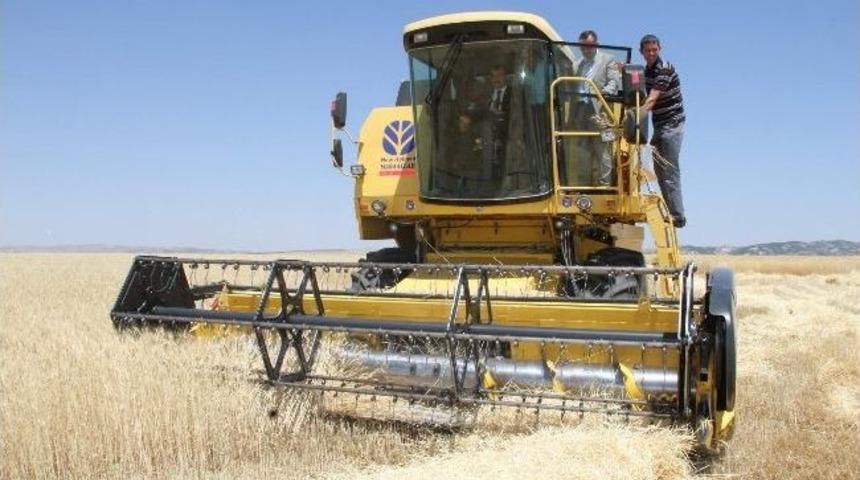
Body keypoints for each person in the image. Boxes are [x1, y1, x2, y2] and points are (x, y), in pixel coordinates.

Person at [639, 34, 686, 227]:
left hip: (673, 124)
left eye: (654, 50)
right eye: (648, 51)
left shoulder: (665, 69)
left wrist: (633, 119)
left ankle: (678, 215)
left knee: (670, 168)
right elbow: (635, 84)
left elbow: (651, 99)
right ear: (642, 52)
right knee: (658, 169)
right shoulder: (646, 72)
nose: (651, 53)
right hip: (659, 126)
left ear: (659, 49)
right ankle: (669, 210)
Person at [570, 30, 621, 186]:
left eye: (589, 46)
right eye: (583, 47)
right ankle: (584, 186)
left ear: (596, 44)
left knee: (603, 150)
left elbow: (614, 82)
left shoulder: (608, 59)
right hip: (581, 112)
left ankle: (604, 186)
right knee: (582, 152)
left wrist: (604, 93)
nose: (586, 50)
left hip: (601, 113)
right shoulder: (576, 65)